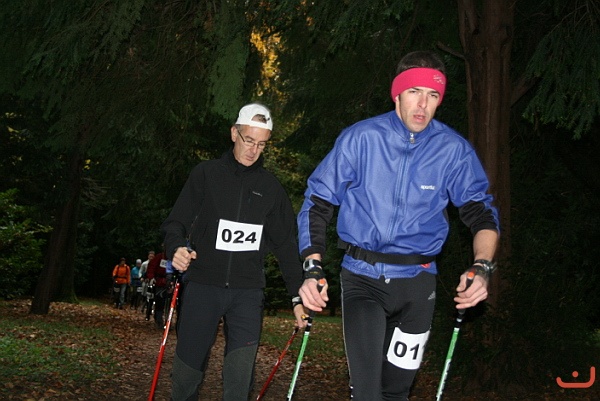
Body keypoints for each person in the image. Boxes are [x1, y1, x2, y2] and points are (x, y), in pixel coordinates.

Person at [296, 50, 500, 401]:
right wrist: (312, 266)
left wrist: (481, 267)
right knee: (367, 393)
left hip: (418, 286)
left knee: (397, 392)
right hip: (363, 279)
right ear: (397, 94)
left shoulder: (453, 150)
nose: (422, 104)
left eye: (432, 94)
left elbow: (481, 213)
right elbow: (318, 201)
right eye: (414, 92)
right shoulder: (361, 138)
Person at [161, 103, 306, 401]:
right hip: (203, 285)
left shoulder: (271, 189)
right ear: (233, 133)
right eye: (249, 140)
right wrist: (176, 248)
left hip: (247, 293)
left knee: (240, 382)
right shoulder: (206, 174)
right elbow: (176, 222)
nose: (254, 150)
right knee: (186, 377)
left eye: (261, 144)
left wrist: (297, 297)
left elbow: (286, 247)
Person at [145, 249, 169, 329]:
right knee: (159, 300)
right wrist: (151, 277)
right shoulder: (159, 257)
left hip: (170, 282)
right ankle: (158, 319)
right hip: (159, 283)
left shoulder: (174, 258)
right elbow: (151, 267)